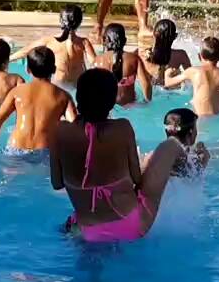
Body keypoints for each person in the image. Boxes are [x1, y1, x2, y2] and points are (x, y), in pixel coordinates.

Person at [51, 69, 184, 242]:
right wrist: (145, 163)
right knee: (170, 146)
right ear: (112, 101)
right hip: (129, 226)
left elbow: (57, 183)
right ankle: (193, 167)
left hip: (86, 230)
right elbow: (137, 179)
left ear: (78, 97)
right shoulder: (122, 128)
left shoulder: (59, 132)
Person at [0, 46, 76, 152]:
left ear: (27, 69)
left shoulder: (17, 92)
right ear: (54, 69)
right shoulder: (63, 97)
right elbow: (75, 127)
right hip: (44, 151)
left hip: (16, 149)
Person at [10, 4, 97, 85]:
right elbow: (95, 64)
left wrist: (8, 59)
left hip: (58, 86)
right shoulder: (84, 43)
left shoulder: (50, 41)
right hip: (78, 85)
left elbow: (26, 51)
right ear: (79, 22)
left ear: (61, 21)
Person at [163, 36, 219, 116]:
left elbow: (168, 83)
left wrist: (167, 73)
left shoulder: (193, 71)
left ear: (199, 56)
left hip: (199, 120)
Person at [92, 23, 152, 105]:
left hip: (105, 107)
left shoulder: (97, 61)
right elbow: (146, 84)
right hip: (130, 107)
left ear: (104, 40)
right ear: (125, 40)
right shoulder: (134, 59)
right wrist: (147, 103)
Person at [158, 108, 211, 178]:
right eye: (195, 128)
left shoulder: (157, 157)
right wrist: (205, 156)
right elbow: (195, 175)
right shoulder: (188, 162)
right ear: (191, 132)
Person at [139, 18, 192, 87]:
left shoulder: (142, 54)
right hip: (173, 93)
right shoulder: (181, 55)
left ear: (154, 34)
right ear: (175, 36)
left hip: (151, 91)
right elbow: (191, 79)